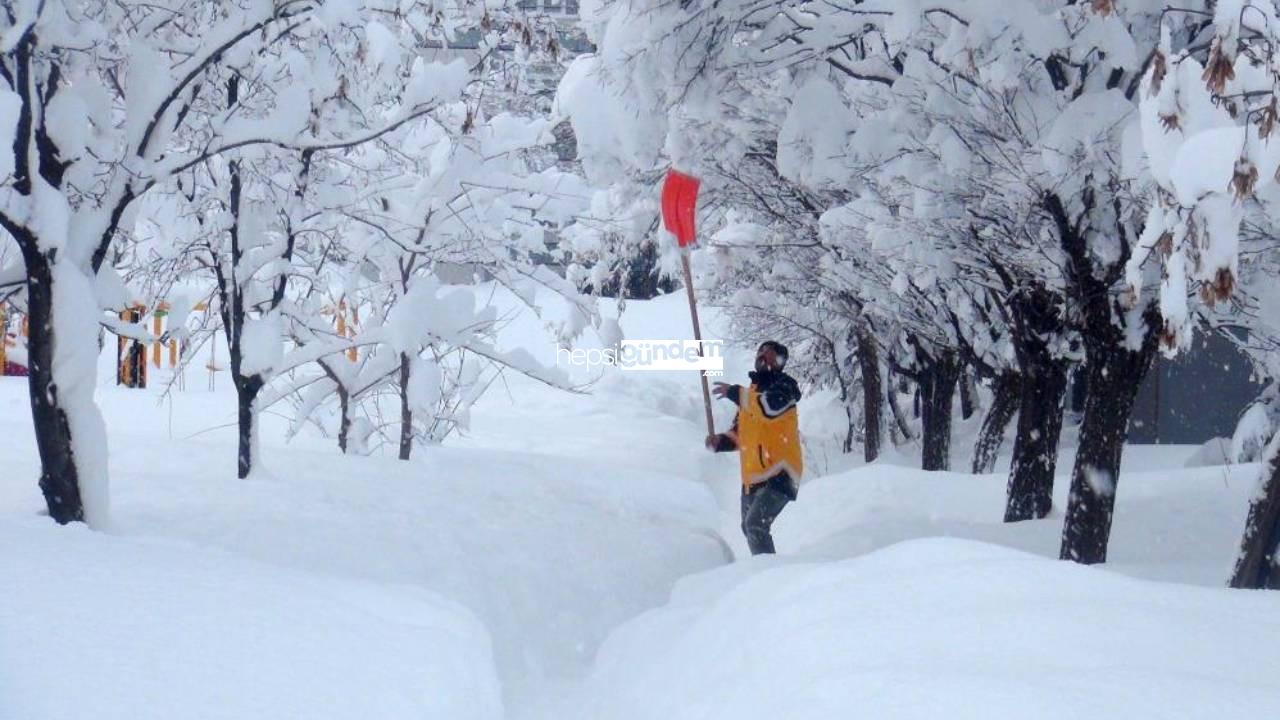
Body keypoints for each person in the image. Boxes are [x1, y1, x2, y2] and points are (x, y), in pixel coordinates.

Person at [705, 340, 803, 555]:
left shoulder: (785, 388)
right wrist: (720, 442)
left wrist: (736, 393)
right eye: (760, 352)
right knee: (748, 528)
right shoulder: (750, 395)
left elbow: (767, 407)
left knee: (755, 525)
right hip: (753, 478)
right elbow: (740, 436)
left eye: (769, 354)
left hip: (780, 471)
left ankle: (770, 577)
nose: (763, 356)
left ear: (780, 362)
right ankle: (765, 572)